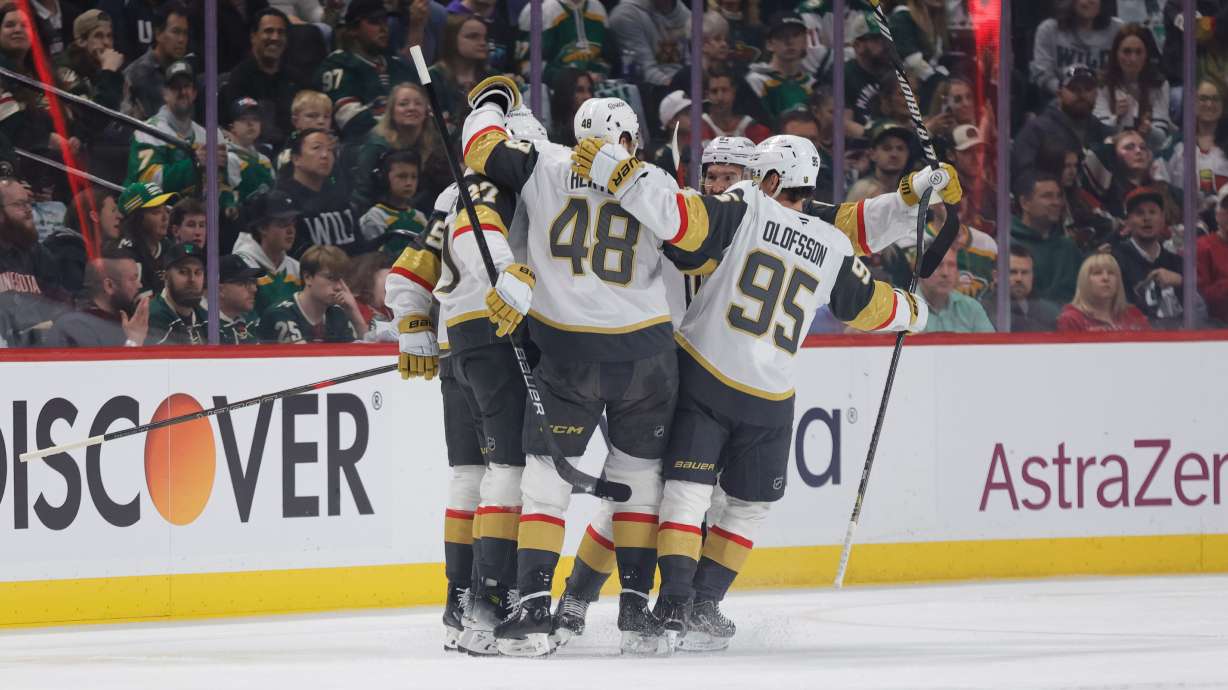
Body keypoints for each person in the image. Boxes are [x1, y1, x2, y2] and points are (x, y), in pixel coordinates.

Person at [570, 133, 949, 652]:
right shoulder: (742, 210)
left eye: (734, 173)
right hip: (680, 376)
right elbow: (854, 264)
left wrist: (909, 197)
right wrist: (912, 300)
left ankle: (685, 604)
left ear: (759, 177)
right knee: (642, 499)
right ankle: (581, 600)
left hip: (699, 370)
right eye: (714, 172)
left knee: (700, 499)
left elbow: (859, 224)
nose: (723, 180)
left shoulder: (737, 209)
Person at [462, 84, 693, 657]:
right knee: (639, 483)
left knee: (544, 482)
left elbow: (479, 148)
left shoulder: (543, 162)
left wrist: (491, 102)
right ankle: (637, 613)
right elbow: (693, 243)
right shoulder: (654, 180)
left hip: (567, 354)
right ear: (628, 138)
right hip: (646, 354)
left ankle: (533, 606)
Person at [126, 59, 242, 203]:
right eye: (176, 87)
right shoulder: (148, 132)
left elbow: (227, 184)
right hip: (156, 213)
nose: (182, 92)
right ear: (165, 93)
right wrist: (194, 165)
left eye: (187, 86)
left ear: (194, 93)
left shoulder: (209, 136)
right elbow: (146, 182)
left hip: (198, 217)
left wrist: (225, 167)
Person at [314, 0, 417, 142]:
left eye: (385, 21)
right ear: (353, 29)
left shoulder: (398, 64)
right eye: (375, 21)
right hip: (361, 151)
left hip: (410, 147)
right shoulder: (338, 64)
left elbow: (427, 109)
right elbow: (352, 123)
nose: (383, 28)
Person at [351, 83, 450, 213]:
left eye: (418, 104)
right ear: (391, 111)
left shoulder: (436, 145)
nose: (411, 108)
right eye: (403, 104)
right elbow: (362, 193)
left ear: (426, 111)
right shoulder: (376, 146)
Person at [219, 7, 300, 152]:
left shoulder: (296, 78)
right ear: (253, 37)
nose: (275, 37)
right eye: (268, 31)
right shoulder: (239, 78)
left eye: (280, 32)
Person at [1014, 64, 1113, 180]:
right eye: (1074, 89)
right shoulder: (1036, 131)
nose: (1081, 94)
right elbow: (1022, 176)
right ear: (1059, 94)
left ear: (1096, 95)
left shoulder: (1105, 134)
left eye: (1087, 89)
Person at [274, 128, 360, 256]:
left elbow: (360, 247)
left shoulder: (340, 197)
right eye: (316, 148)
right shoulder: (283, 200)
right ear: (296, 158)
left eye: (330, 150)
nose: (325, 155)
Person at [1111, 186, 1185, 328]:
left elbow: (1199, 311)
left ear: (1163, 219)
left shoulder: (1177, 263)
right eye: (1139, 213)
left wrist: (1181, 282)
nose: (1147, 218)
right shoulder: (1115, 260)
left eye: (1152, 212)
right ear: (1128, 221)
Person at [258, 244, 362, 343]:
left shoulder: (338, 314)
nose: (339, 287)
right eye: (330, 278)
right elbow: (303, 360)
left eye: (340, 279)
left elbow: (362, 355)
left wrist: (354, 312)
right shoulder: (280, 314)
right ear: (308, 278)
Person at [44, 251, 150, 347]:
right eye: (133, 279)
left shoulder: (128, 321)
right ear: (109, 286)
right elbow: (100, 368)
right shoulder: (75, 328)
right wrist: (133, 341)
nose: (139, 285)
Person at [1093, 24, 1172, 151]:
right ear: (1116, 53)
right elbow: (1099, 135)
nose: (1133, 58)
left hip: (1147, 151)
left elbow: (1162, 139)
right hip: (1111, 150)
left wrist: (1149, 130)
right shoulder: (1102, 83)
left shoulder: (1159, 84)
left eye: (1139, 52)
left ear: (1146, 55)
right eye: (1127, 51)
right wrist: (1116, 119)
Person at [1011, 171, 1083, 306]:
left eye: (1059, 196)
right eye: (1047, 196)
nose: (1056, 203)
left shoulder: (1068, 247)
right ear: (1025, 203)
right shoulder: (1008, 246)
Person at [1031, 0, 1123, 99]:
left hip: (1105, 102)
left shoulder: (1117, 29)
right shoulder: (1048, 30)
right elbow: (1042, 74)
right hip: (1059, 102)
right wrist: (1067, 93)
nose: (1091, 1)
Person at [232, 189, 302, 317]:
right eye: (283, 224)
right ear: (262, 228)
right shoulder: (242, 266)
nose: (291, 230)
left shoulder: (296, 268)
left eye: (293, 223)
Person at [44, 187, 121, 297]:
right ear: (94, 216)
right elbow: (76, 303)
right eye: (113, 210)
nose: (119, 216)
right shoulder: (68, 253)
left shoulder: (90, 252)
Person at [516, 0, 611, 86]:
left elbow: (607, 57)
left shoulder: (598, 8)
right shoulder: (542, 10)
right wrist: (566, 79)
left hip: (595, 86)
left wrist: (600, 74)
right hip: (555, 90)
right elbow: (527, 66)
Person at [1165, 79, 1228, 208]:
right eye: (1203, 99)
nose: (1209, 104)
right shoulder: (1175, 143)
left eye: (1215, 99)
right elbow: (1158, 179)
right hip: (1183, 220)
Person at [122, 1, 190, 119]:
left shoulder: (187, 72)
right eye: (176, 32)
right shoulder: (136, 74)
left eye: (185, 33)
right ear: (158, 34)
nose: (181, 40)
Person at [744, 13, 814, 125]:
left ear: (805, 41)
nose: (789, 41)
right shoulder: (755, 81)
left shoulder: (813, 84)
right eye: (782, 36)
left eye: (795, 35)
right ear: (769, 44)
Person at [428, 14, 494, 130]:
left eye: (485, 38)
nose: (483, 43)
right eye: (473, 36)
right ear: (451, 39)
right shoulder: (433, 77)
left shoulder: (493, 78)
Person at [358, 149, 428, 257]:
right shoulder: (374, 217)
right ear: (384, 178)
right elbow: (376, 258)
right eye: (401, 176)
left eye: (414, 177)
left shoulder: (421, 217)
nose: (409, 183)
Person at [112, 181, 177, 296]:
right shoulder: (125, 253)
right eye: (156, 212)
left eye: (166, 210)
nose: (165, 217)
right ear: (136, 219)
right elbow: (142, 305)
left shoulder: (168, 246)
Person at [1056, 252, 1150, 331]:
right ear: (1084, 281)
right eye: (1097, 273)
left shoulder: (1134, 315)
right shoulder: (1071, 319)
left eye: (1111, 273)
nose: (1106, 278)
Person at [609, 0, 691, 87]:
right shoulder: (625, 15)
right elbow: (645, 72)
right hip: (652, 91)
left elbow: (692, 65)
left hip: (685, 87)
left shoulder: (687, 15)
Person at [987, 244, 1061, 332]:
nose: (1019, 278)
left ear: (1032, 276)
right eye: (1013, 272)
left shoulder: (1051, 312)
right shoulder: (983, 312)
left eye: (1025, 272)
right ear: (996, 276)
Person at [920, 248, 994, 333]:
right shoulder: (903, 305)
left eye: (951, 265)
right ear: (920, 269)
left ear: (958, 272)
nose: (945, 273)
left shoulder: (971, 308)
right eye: (937, 265)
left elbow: (992, 345)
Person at [146, 241, 207, 345]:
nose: (192, 279)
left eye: (198, 272)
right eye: (183, 272)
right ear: (166, 277)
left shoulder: (206, 318)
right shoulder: (152, 318)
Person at [844, 11, 893, 137]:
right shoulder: (844, 74)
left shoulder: (895, 71)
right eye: (877, 39)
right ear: (857, 45)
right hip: (861, 144)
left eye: (886, 38)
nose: (885, 44)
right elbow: (844, 124)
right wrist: (877, 136)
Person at [700, 65, 772, 144]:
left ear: (733, 91)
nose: (720, 97)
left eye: (724, 90)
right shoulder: (698, 127)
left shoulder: (753, 128)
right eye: (714, 91)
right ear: (706, 95)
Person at [224, 97, 276, 207]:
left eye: (255, 119)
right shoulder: (228, 157)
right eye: (243, 119)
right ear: (231, 127)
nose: (250, 123)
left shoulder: (264, 159)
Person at [1196, 185, 1228, 324]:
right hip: (1216, 330)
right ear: (1217, 214)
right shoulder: (1202, 247)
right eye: (1227, 208)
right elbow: (1200, 298)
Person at [218, 254, 265, 344]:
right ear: (221, 290)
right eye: (243, 283)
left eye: (253, 282)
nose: (254, 289)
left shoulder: (252, 320)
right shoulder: (204, 325)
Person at [866, 121, 913, 192]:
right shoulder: (863, 189)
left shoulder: (912, 190)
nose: (894, 154)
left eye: (900, 148)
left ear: (907, 154)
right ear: (873, 154)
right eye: (887, 148)